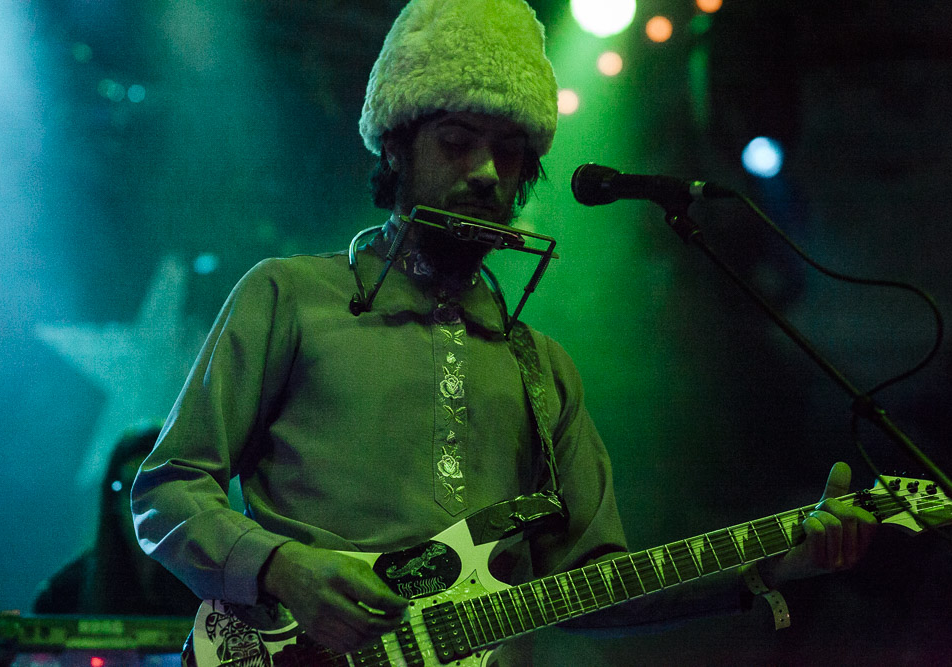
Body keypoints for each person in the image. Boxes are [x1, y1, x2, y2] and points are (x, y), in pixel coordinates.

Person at [130, 0, 877, 663]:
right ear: (396, 144)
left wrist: (776, 562)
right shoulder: (286, 295)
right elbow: (166, 490)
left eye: (509, 150)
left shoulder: (542, 368)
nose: (486, 170)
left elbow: (597, 587)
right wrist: (282, 565)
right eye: (457, 141)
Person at [34, 423, 197, 616]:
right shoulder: (62, 596)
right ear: (113, 500)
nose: (145, 504)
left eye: (157, 487)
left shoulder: (213, 587)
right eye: (131, 487)